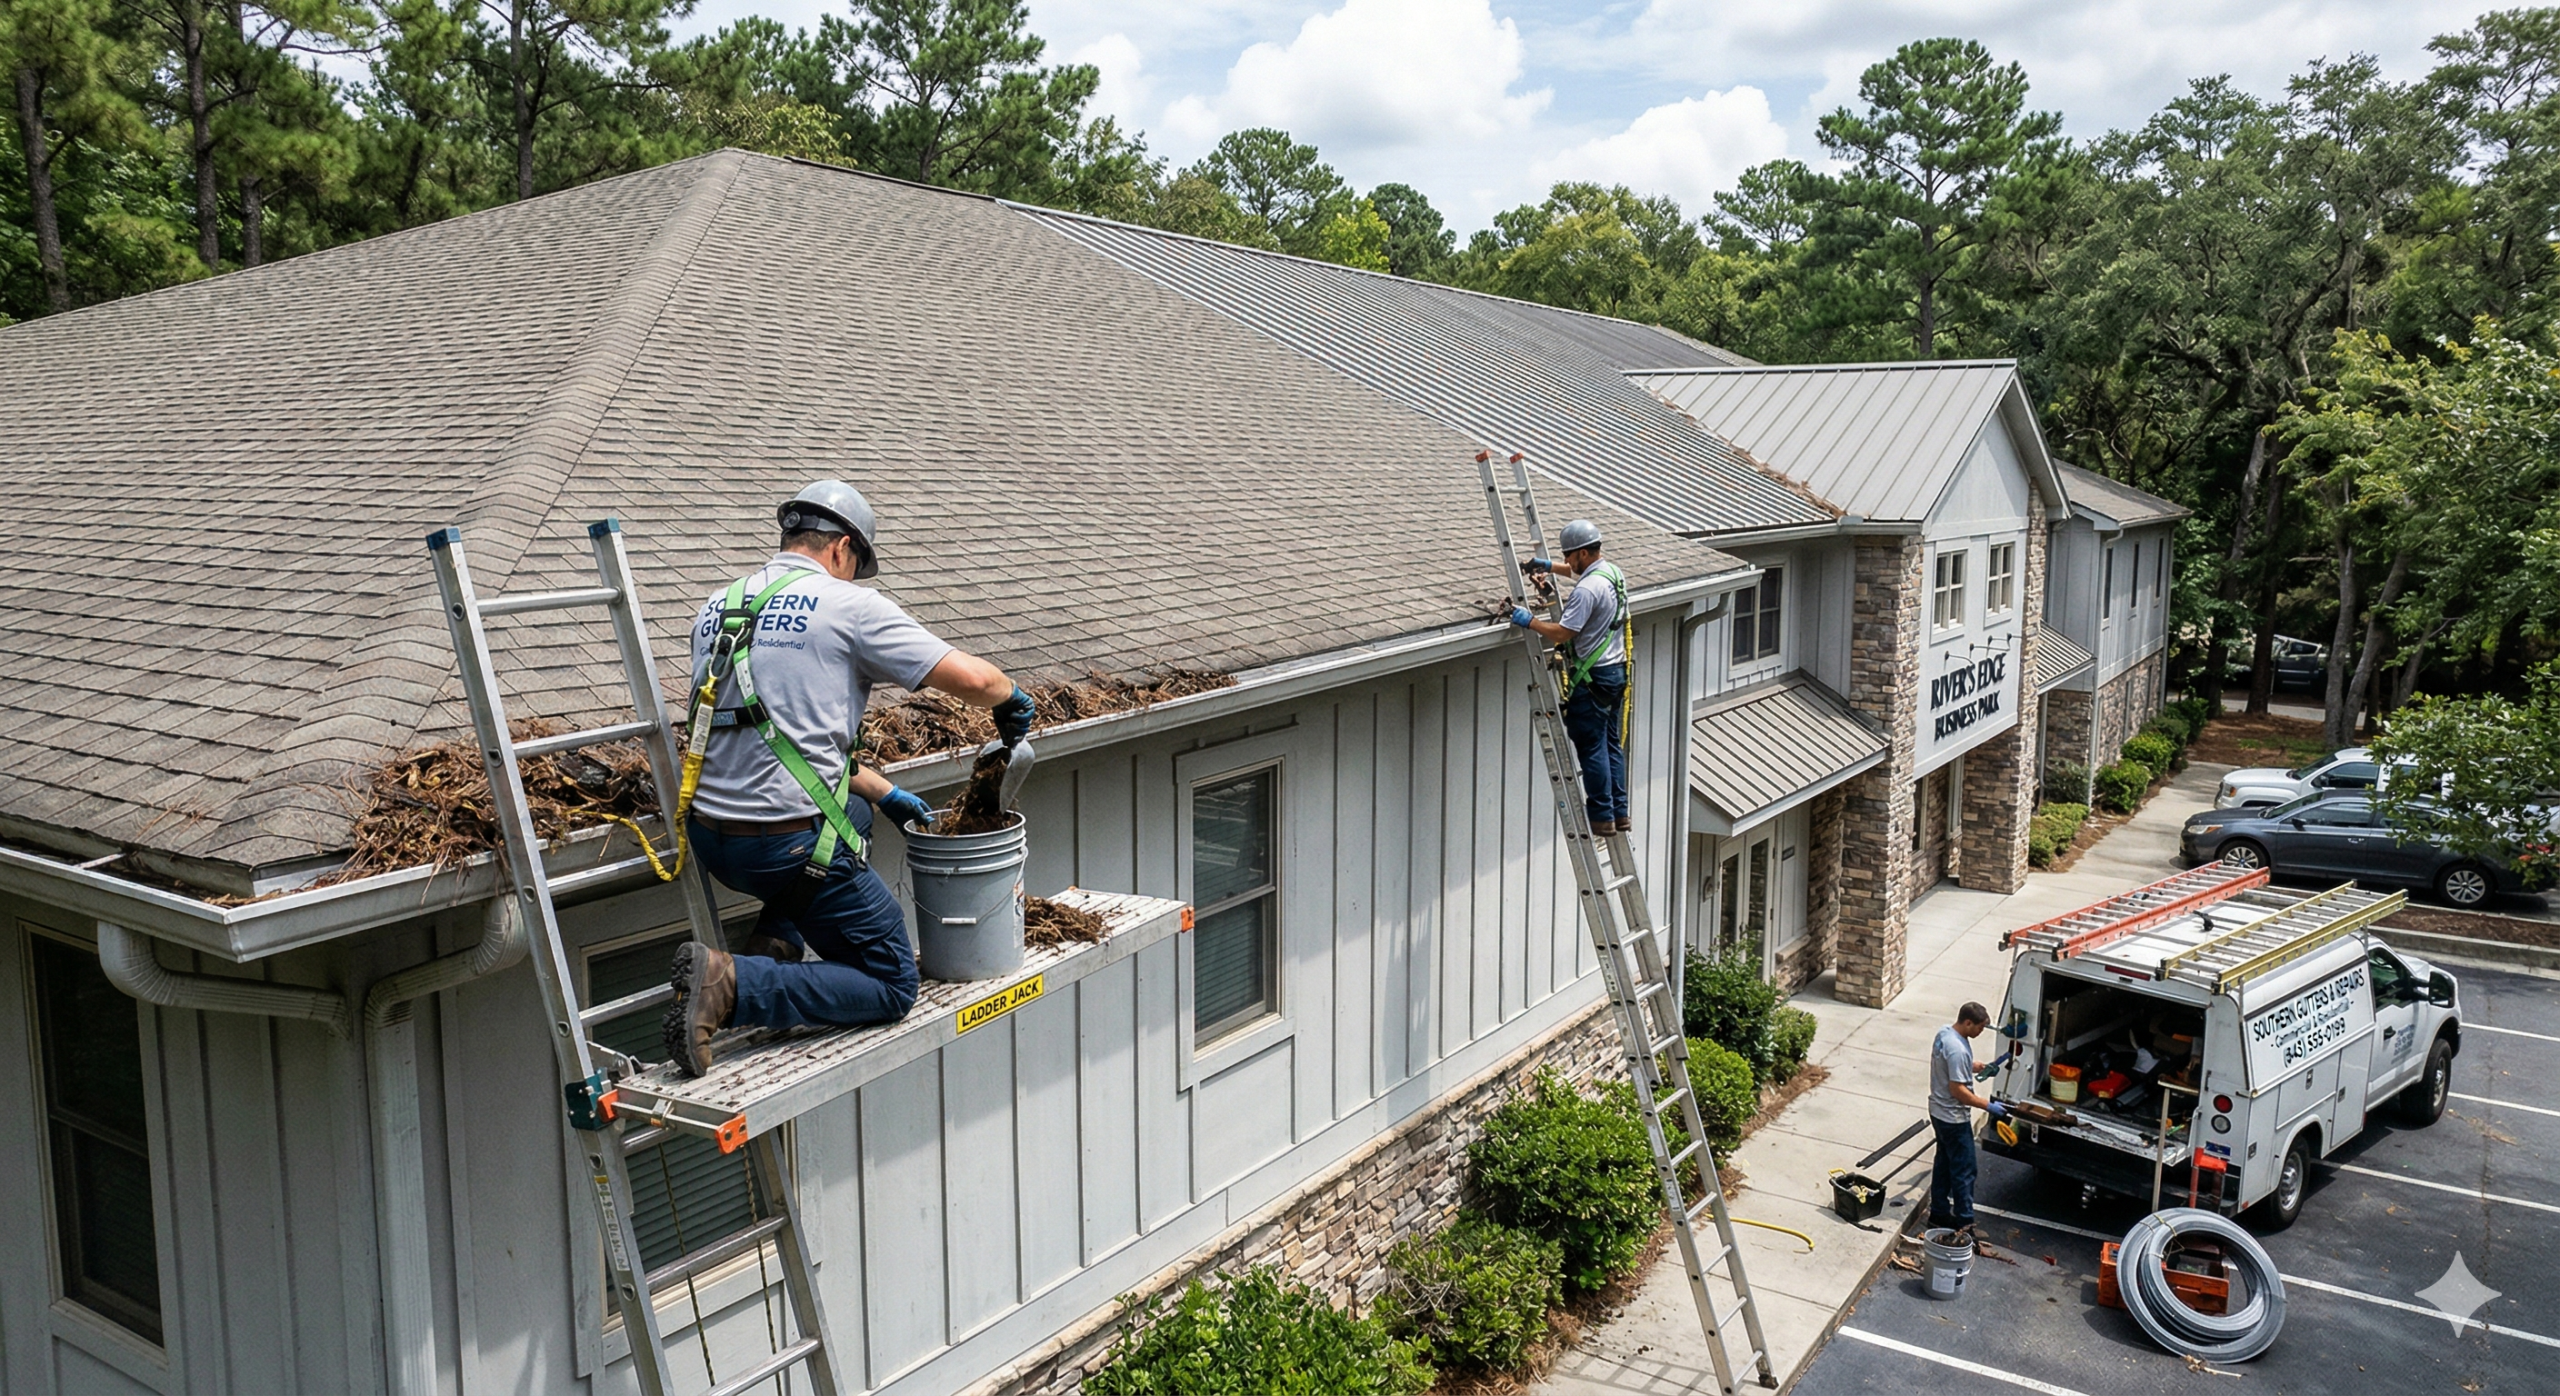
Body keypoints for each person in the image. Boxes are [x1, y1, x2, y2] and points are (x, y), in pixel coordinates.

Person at [662, 480, 1038, 1077]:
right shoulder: (848, 606)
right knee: (890, 982)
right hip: (781, 846)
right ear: (842, 548)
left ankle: (775, 944)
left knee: (856, 815)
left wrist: (885, 794)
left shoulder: (719, 605)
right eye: (855, 565)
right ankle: (733, 985)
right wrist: (1010, 694)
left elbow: (774, 733)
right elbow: (970, 679)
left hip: (715, 839)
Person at [1512, 519, 1632, 835]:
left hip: (1594, 679)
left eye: (1568, 556)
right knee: (1610, 745)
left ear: (1581, 552)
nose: (1567, 562)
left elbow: (1563, 633)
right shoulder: (1612, 574)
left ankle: (1601, 816)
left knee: (1591, 746)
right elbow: (1579, 573)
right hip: (1616, 673)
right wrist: (1548, 567)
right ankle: (1619, 813)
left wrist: (1530, 622)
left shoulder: (1586, 591)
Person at [1928, 1001, 2013, 1233]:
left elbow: (1955, 1066)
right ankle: (1965, 1222)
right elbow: (1958, 1091)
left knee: (1944, 1164)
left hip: (1938, 1111)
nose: (1981, 1031)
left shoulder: (1946, 1034)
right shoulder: (1957, 1049)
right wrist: (1988, 1106)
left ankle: (1938, 1214)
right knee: (1965, 1170)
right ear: (1968, 1022)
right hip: (1953, 1118)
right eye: (1980, 1027)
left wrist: (1980, 1067)